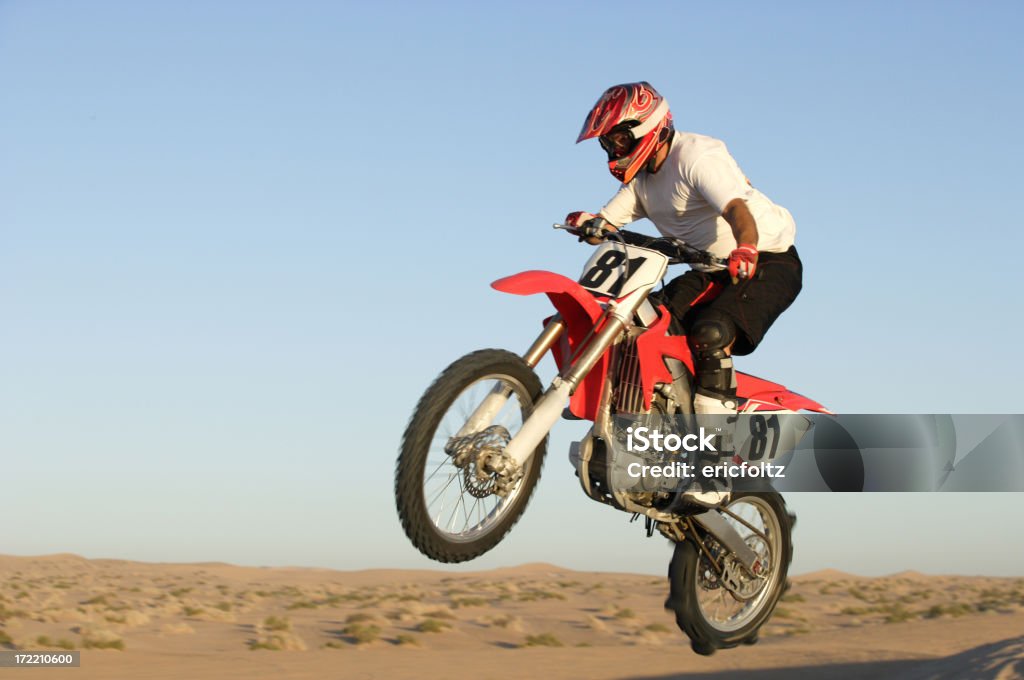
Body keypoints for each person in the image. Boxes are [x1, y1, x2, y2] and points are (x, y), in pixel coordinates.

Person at [566, 81, 802, 506]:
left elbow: (736, 210)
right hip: (708, 268)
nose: (614, 150)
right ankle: (649, 427)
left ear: (649, 126)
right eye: (607, 143)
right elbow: (609, 217)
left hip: (764, 259)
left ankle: (711, 471)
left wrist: (746, 246)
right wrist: (590, 222)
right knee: (639, 323)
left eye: (620, 138)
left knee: (710, 334)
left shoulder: (697, 156)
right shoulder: (642, 183)